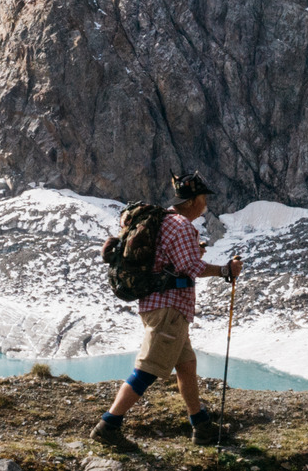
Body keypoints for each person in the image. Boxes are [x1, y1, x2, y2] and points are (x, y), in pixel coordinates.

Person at [91, 173, 244, 451]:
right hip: (170, 310)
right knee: (147, 369)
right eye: (204, 198)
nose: (206, 204)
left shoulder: (163, 221)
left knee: (186, 366)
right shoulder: (182, 226)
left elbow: (172, 261)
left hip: (160, 307)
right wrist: (226, 271)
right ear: (193, 201)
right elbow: (193, 268)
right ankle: (108, 425)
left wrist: (193, 253)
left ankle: (201, 426)